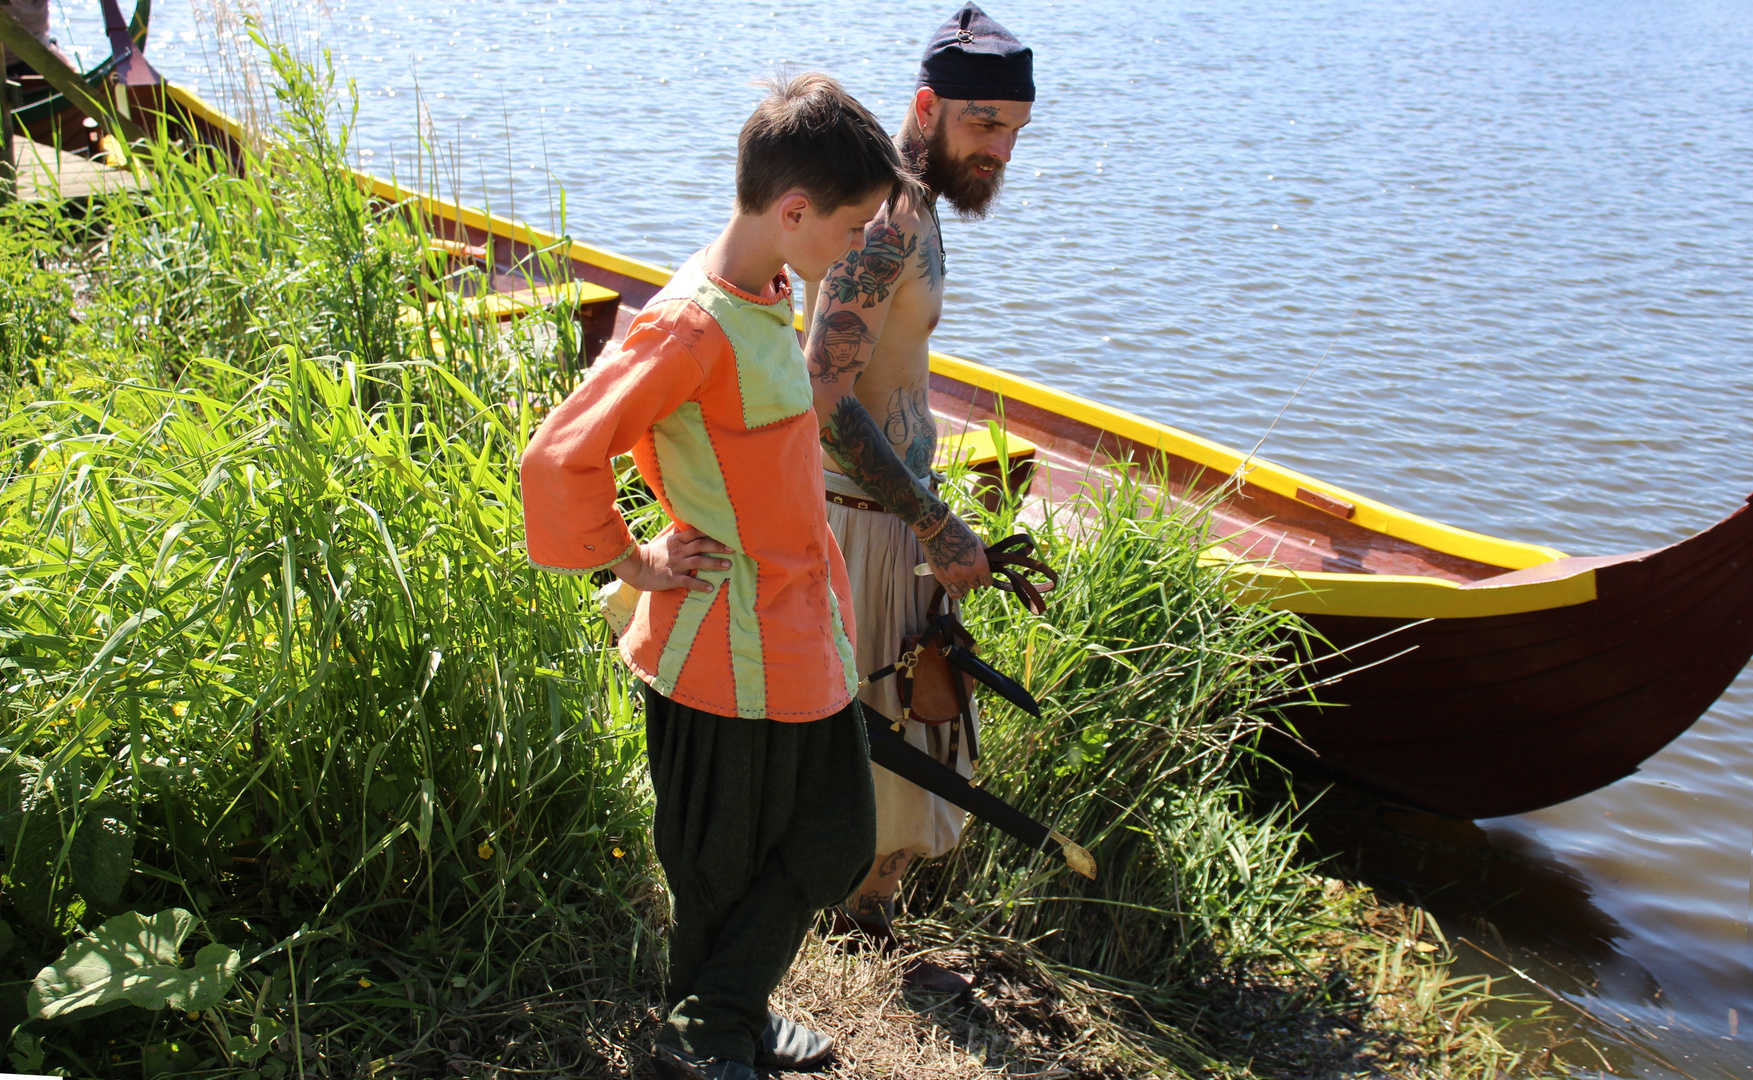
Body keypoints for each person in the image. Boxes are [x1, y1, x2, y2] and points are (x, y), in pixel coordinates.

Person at [520, 73, 917, 1080]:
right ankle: (710, 1033)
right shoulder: (688, 324)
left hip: (799, 627)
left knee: (832, 841)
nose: (861, 246)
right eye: (853, 225)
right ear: (792, 212)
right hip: (724, 640)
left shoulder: (770, 289)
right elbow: (558, 455)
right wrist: (630, 556)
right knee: (716, 861)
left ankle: (720, 1014)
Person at [802, 1, 1034, 993]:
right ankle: (837, 920)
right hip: (857, 517)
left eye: (1015, 133)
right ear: (927, 105)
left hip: (891, 512)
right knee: (885, 732)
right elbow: (822, 391)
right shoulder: (888, 219)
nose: (1001, 152)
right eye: (985, 126)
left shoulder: (919, 205)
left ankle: (858, 913)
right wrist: (935, 522)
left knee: (909, 725)